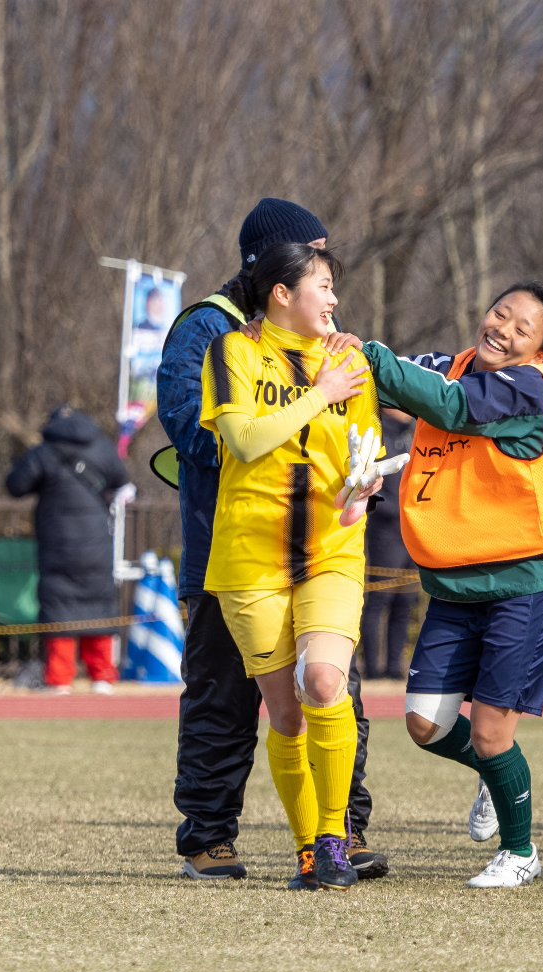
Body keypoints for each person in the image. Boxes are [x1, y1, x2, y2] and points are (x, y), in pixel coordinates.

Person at [155, 198, 386, 882]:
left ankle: (341, 830)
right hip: (229, 545)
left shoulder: (333, 341)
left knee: (333, 685)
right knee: (224, 701)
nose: (327, 276)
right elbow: (195, 427)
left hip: (324, 546)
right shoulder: (210, 329)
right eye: (312, 255)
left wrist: (349, 475)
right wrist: (277, 438)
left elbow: (356, 434)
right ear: (272, 270)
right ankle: (209, 832)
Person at [328, 281, 543, 887]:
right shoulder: (452, 364)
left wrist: (370, 353)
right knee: (425, 725)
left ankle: (520, 853)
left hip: (524, 583)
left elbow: (450, 404)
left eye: (523, 329)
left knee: (492, 734)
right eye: (501, 313)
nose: (504, 329)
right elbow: (398, 388)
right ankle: (496, 773)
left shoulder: (526, 387)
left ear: (539, 350)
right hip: (453, 585)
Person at [5, 405, 129, 695]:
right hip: (98, 542)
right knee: (99, 604)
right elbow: (123, 481)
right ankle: (102, 677)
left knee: (59, 607)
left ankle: (60, 679)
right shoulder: (102, 446)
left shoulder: (44, 452)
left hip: (57, 543)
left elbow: (15, 486)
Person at [359, 409, 416, 679]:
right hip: (386, 530)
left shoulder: (413, 434)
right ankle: (372, 668)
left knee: (405, 601)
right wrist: (393, 510)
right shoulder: (377, 434)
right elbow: (370, 486)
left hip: (411, 531)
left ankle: (394, 667)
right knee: (379, 598)